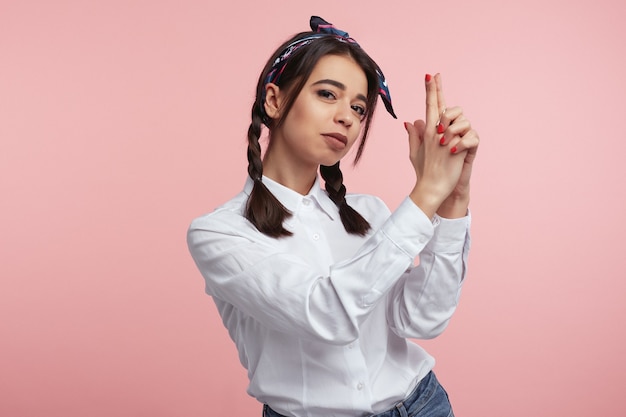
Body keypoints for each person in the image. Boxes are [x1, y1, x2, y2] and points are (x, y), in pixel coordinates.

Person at [187, 16, 479, 417]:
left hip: (423, 404)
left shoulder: (368, 212)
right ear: (274, 100)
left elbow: (422, 320)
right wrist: (426, 192)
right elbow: (327, 314)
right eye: (328, 94)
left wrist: (452, 197)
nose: (348, 117)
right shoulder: (220, 233)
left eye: (359, 108)